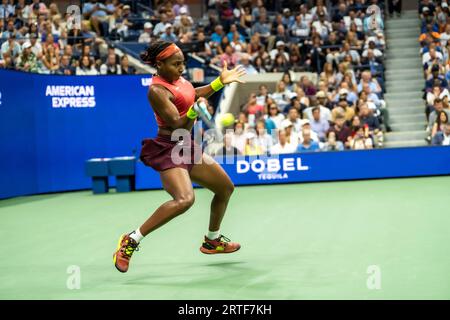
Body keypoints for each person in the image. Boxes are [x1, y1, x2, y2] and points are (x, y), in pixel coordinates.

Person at [113, 41, 246, 273]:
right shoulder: (156, 90)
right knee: (184, 199)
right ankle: (131, 240)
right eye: (176, 64)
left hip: (186, 146)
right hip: (169, 148)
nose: (181, 68)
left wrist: (218, 83)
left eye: (182, 63)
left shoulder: (179, 80)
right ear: (160, 64)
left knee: (225, 188)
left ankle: (212, 241)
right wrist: (196, 111)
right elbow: (177, 125)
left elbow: (192, 94)